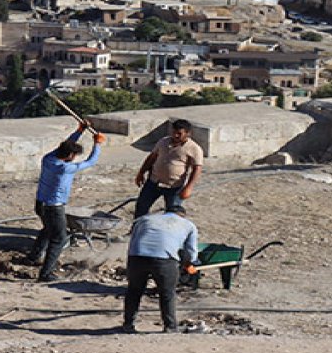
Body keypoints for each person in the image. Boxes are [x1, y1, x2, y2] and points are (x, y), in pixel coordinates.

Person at [29, 121, 105, 282]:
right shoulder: (65, 168)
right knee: (59, 238)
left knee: (47, 230)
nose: (74, 158)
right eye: (74, 155)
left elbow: (66, 145)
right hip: (53, 207)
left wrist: (80, 130)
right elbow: (91, 162)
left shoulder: (48, 159)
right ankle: (45, 273)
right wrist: (97, 144)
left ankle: (33, 257)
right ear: (70, 156)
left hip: (40, 204)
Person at [121, 204, 198, 334]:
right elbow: (192, 252)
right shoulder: (188, 225)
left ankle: (128, 324)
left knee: (134, 291)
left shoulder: (144, 219)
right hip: (164, 260)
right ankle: (170, 327)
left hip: (137, 256)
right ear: (182, 215)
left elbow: (134, 239)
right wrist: (188, 263)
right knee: (167, 293)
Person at [133, 119, 204, 218]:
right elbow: (152, 157)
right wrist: (141, 173)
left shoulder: (194, 148)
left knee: (172, 214)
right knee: (141, 207)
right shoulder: (163, 141)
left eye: (179, 133)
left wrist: (189, 187)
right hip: (154, 182)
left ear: (188, 133)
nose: (176, 135)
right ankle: (136, 230)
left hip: (174, 186)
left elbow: (197, 169)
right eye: (174, 132)